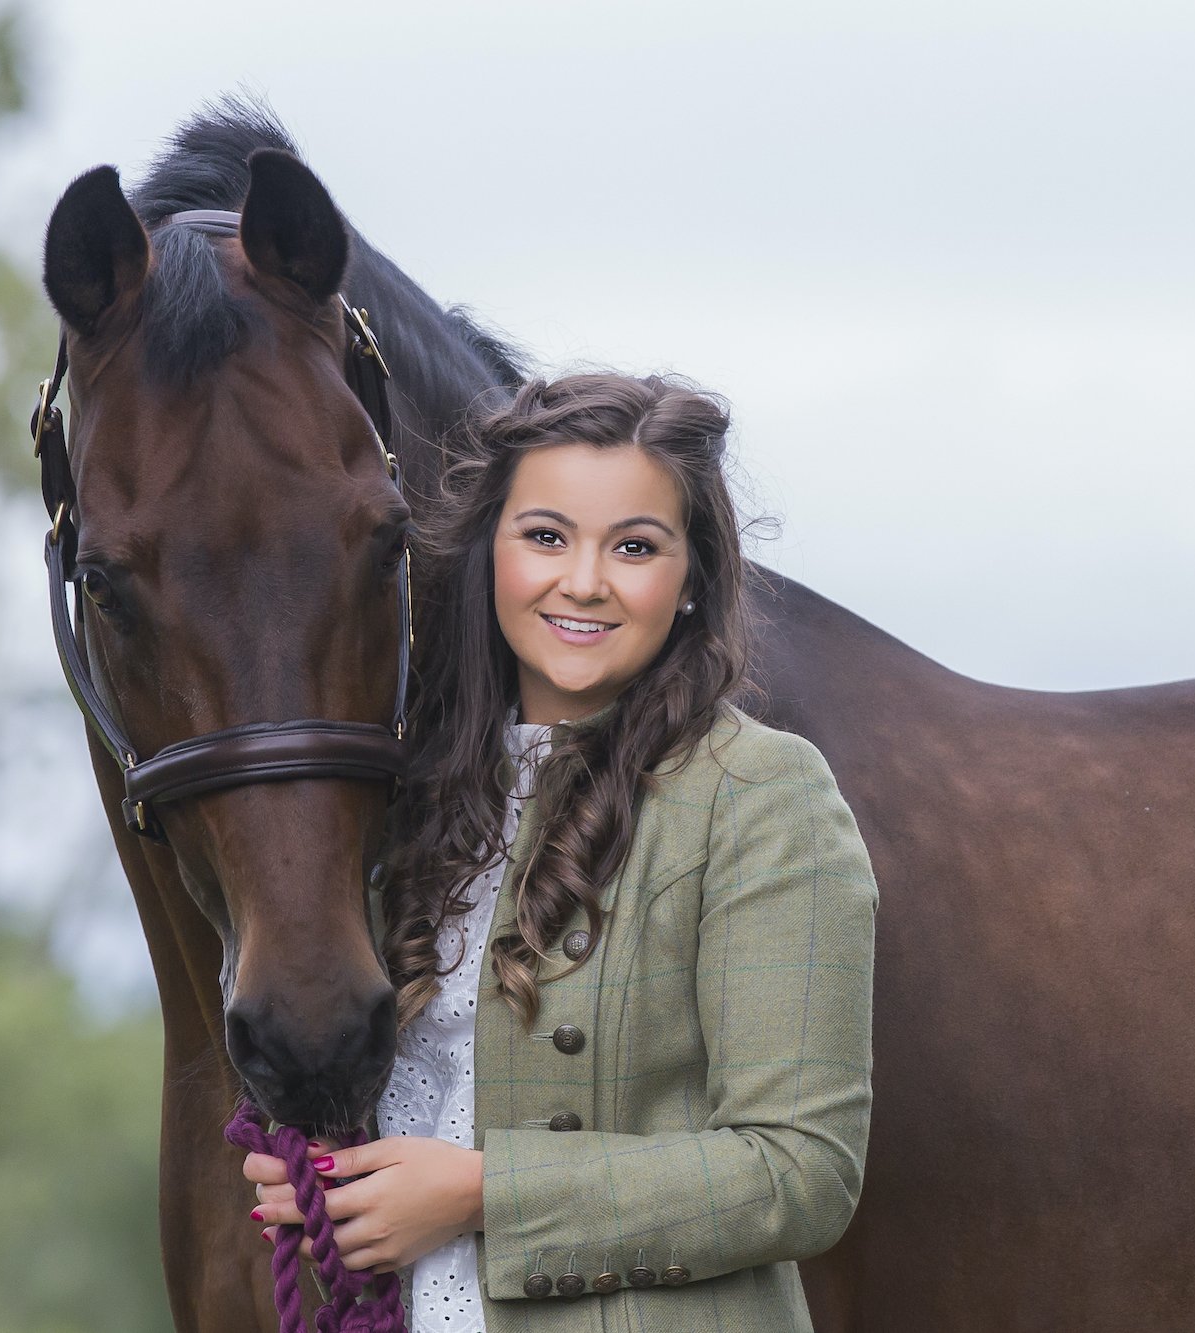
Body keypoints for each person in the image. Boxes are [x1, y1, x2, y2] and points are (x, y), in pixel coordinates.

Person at [242, 373, 878, 1330]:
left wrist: (483, 1196)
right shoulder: (413, 800)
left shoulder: (760, 795)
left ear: (693, 575)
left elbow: (802, 1169)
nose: (584, 579)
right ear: (486, 553)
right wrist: (330, 1177)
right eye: (546, 536)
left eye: (633, 546)